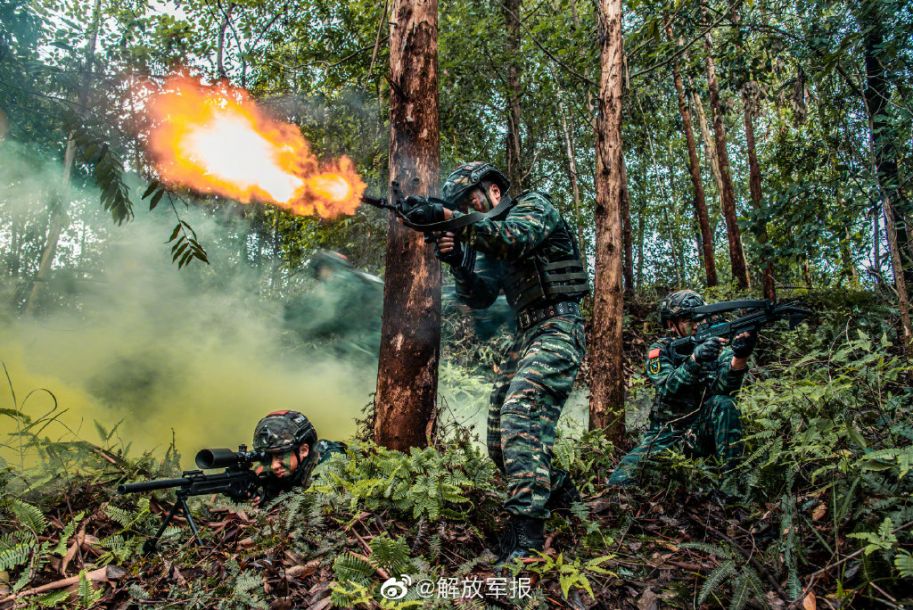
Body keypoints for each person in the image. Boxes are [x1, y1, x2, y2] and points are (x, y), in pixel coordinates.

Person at [404, 161, 589, 563]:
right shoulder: (485, 236)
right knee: (497, 439)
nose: (471, 207)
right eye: (462, 205)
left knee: (520, 414)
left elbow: (512, 238)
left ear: (492, 189)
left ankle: (528, 540)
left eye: (471, 200)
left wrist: (449, 218)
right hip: (527, 333)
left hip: (560, 325)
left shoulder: (534, 207)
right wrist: (459, 263)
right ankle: (563, 496)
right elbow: (481, 297)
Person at [607, 290, 757, 487]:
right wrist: (695, 360)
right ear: (672, 324)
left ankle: (732, 488)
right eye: (688, 319)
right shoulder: (660, 350)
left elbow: (726, 388)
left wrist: (741, 356)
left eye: (700, 318)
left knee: (724, 403)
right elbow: (668, 387)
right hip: (667, 434)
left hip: (702, 432)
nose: (696, 325)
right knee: (619, 480)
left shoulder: (716, 345)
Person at [252, 410, 346, 501]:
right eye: (269, 456)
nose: (274, 466)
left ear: (303, 450)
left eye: (280, 456)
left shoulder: (329, 458)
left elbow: (327, 503)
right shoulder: (269, 466)